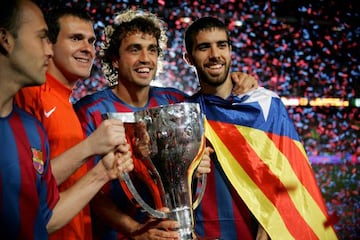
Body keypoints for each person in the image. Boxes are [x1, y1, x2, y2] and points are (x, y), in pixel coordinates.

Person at [74, 9, 258, 240]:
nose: (145, 58)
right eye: (134, 49)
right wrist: (135, 231)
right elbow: (84, 189)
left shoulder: (174, 100)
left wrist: (241, 83)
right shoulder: (90, 111)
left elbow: (215, 100)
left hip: (172, 233)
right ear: (115, 59)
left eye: (152, 49)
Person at [183, 16, 338, 239]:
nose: (215, 54)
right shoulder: (185, 113)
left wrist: (268, 230)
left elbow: (289, 176)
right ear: (189, 58)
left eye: (222, 45)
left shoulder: (265, 105)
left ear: (230, 51)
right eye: (204, 47)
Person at [0, 0, 133, 239]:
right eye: (75, 38)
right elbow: (28, 186)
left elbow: (46, 205)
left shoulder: (66, 105)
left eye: (91, 41)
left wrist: (103, 170)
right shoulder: (29, 94)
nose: (88, 49)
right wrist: (90, 147)